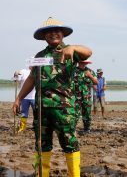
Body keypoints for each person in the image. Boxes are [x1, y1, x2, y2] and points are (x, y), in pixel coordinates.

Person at [12, 17, 92, 177]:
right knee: (42, 145)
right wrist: (19, 98)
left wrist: (73, 48)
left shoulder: (70, 51)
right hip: (42, 110)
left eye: (56, 31)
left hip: (64, 110)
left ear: (62, 34)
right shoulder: (40, 56)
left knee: (70, 145)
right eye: (49, 32)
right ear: (44, 36)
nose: (53, 34)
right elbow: (32, 79)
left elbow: (88, 52)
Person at [74, 59, 98, 133]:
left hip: (86, 96)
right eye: (82, 62)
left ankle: (87, 129)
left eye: (85, 63)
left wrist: (90, 76)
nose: (83, 64)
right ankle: (72, 128)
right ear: (78, 62)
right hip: (75, 96)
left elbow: (96, 82)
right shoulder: (73, 71)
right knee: (75, 113)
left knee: (87, 113)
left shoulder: (90, 71)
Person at [13, 66, 36, 132]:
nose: (32, 65)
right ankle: (22, 127)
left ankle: (35, 127)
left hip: (34, 97)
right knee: (24, 113)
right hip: (24, 97)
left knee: (36, 112)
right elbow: (16, 79)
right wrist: (16, 74)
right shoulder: (23, 71)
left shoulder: (37, 71)